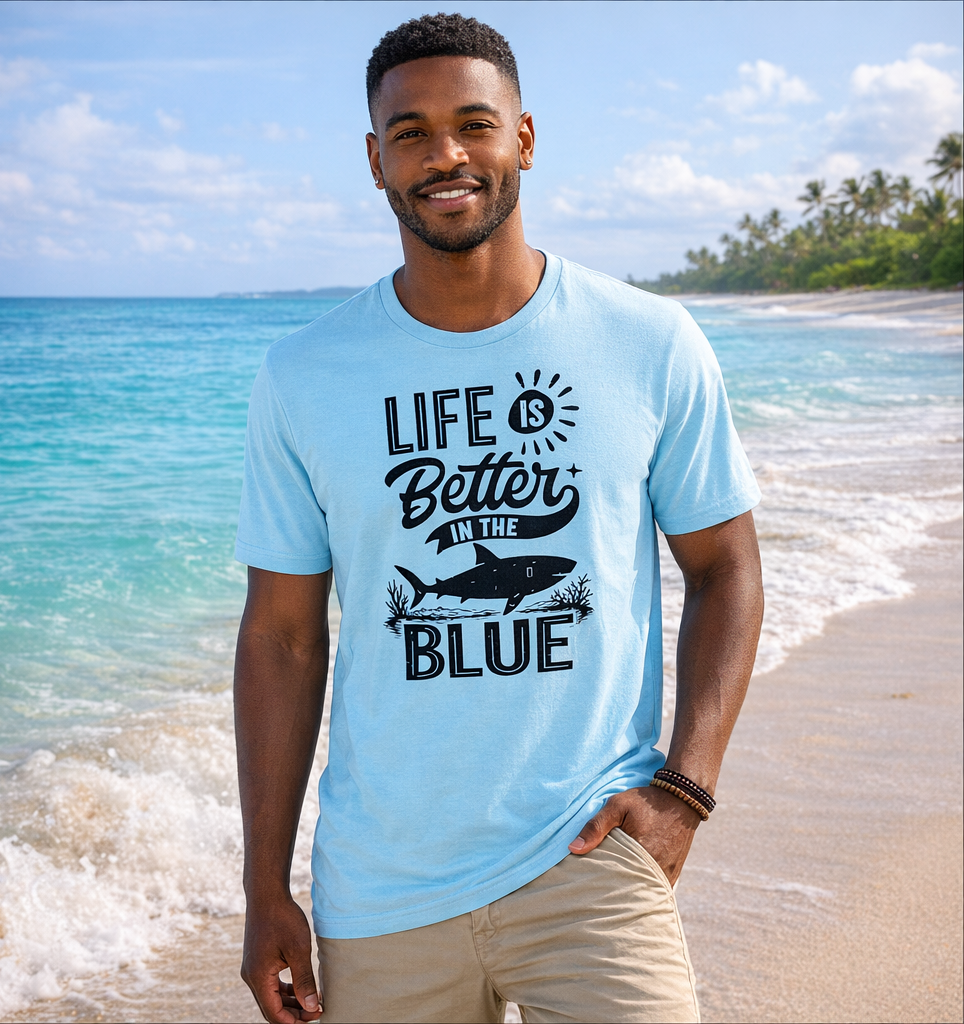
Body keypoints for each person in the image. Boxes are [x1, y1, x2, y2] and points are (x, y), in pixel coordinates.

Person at [233, 13, 763, 1024]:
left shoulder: (648, 340)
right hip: (382, 890)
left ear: (523, 137)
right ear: (375, 161)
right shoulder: (303, 374)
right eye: (411, 133)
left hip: (593, 856)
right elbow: (283, 639)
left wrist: (685, 791)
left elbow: (725, 567)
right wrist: (265, 887)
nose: (446, 155)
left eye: (474, 124)